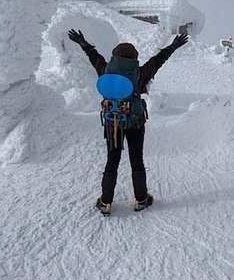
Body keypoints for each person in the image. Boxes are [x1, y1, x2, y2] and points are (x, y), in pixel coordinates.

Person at [67, 28, 189, 215]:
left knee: (112, 160)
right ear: (134, 58)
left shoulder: (105, 70)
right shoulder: (139, 73)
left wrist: (83, 43)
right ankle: (141, 199)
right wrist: (173, 46)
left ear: (115, 56)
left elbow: (93, 56)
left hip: (113, 122)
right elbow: (158, 60)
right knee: (136, 159)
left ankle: (105, 202)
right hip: (135, 123)